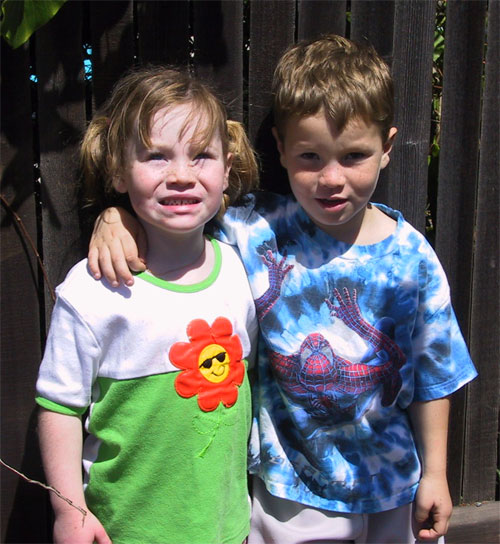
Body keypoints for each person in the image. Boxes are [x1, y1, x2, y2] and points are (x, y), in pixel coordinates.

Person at [87, 36, 477, 544]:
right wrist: (117, 216)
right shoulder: (254, 229)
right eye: (310, 156)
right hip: (290, 490)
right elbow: (178, 212)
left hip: (392, 485)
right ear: (281, 147)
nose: (331, 178)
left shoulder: (412, 259)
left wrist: (437, 474)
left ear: (387, 148)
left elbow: (434, 376)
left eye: (354, 156)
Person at [35, 66, 259, 544]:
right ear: (118, 171)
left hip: (227, 530)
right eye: (156, 157)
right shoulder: (94, 291)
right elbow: (58, 407)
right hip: (125, 533)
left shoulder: (242, 270)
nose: (181, 176)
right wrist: (69, 511)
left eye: (202, 156)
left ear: (227, 169)